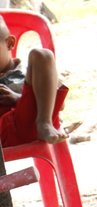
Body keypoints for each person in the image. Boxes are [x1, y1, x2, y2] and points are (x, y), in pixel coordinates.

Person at [0, 15, 69, 147]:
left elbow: (60, 105)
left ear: (9, 43)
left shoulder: (30, 70)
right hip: (3, 136)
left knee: (42, 55)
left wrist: (17, 99)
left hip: (28, 122)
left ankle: (44, 123)